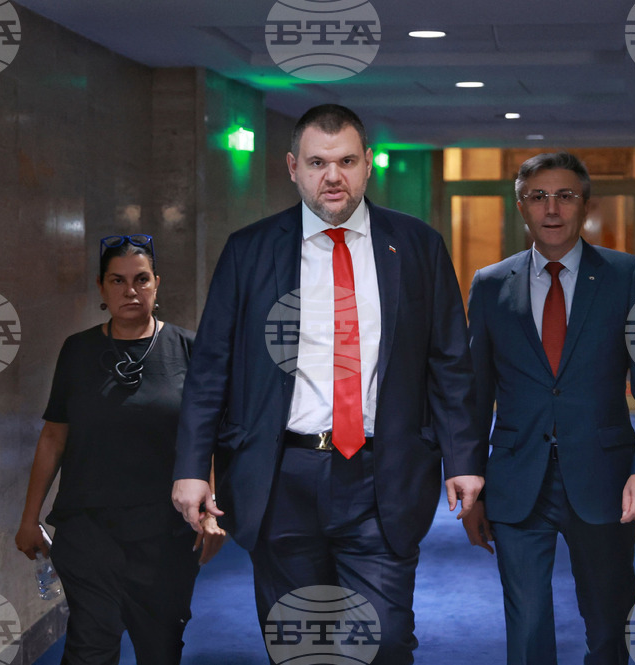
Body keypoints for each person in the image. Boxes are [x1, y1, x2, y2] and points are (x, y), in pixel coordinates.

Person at [171, 104, 484, 664]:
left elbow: (449, 362)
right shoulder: (249, 250)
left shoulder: (417, 246)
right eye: (317, 162)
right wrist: (193, 468)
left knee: (386, 641)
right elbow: (211, 367)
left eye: (346, 161)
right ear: (293, 167)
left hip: (381, 475)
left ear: (369, 164)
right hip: (280, 477)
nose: (332, 176)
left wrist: (463, 457)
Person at [463, 152, 635, 665]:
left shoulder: (628, 275)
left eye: (565, 196)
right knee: (527, 623)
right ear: (521, 206)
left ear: (585, 204)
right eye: (538, 196)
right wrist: (470, 482)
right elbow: (474, 393)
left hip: (605, 478)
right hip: (516, 479)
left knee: (608, 624)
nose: (552, 208)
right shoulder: (490, 284)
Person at [15, 234, 225, 665]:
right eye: (118, 280)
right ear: (101, 287)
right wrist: (29, 518)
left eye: (141, 279)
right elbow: (54, 436)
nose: (131, 290)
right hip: (89, 528)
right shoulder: (78, 351)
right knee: (90, 645)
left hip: (165, 532)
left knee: (160, 648)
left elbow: (206, 438)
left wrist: (210, 511)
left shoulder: (189, 349)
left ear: (156, 284)